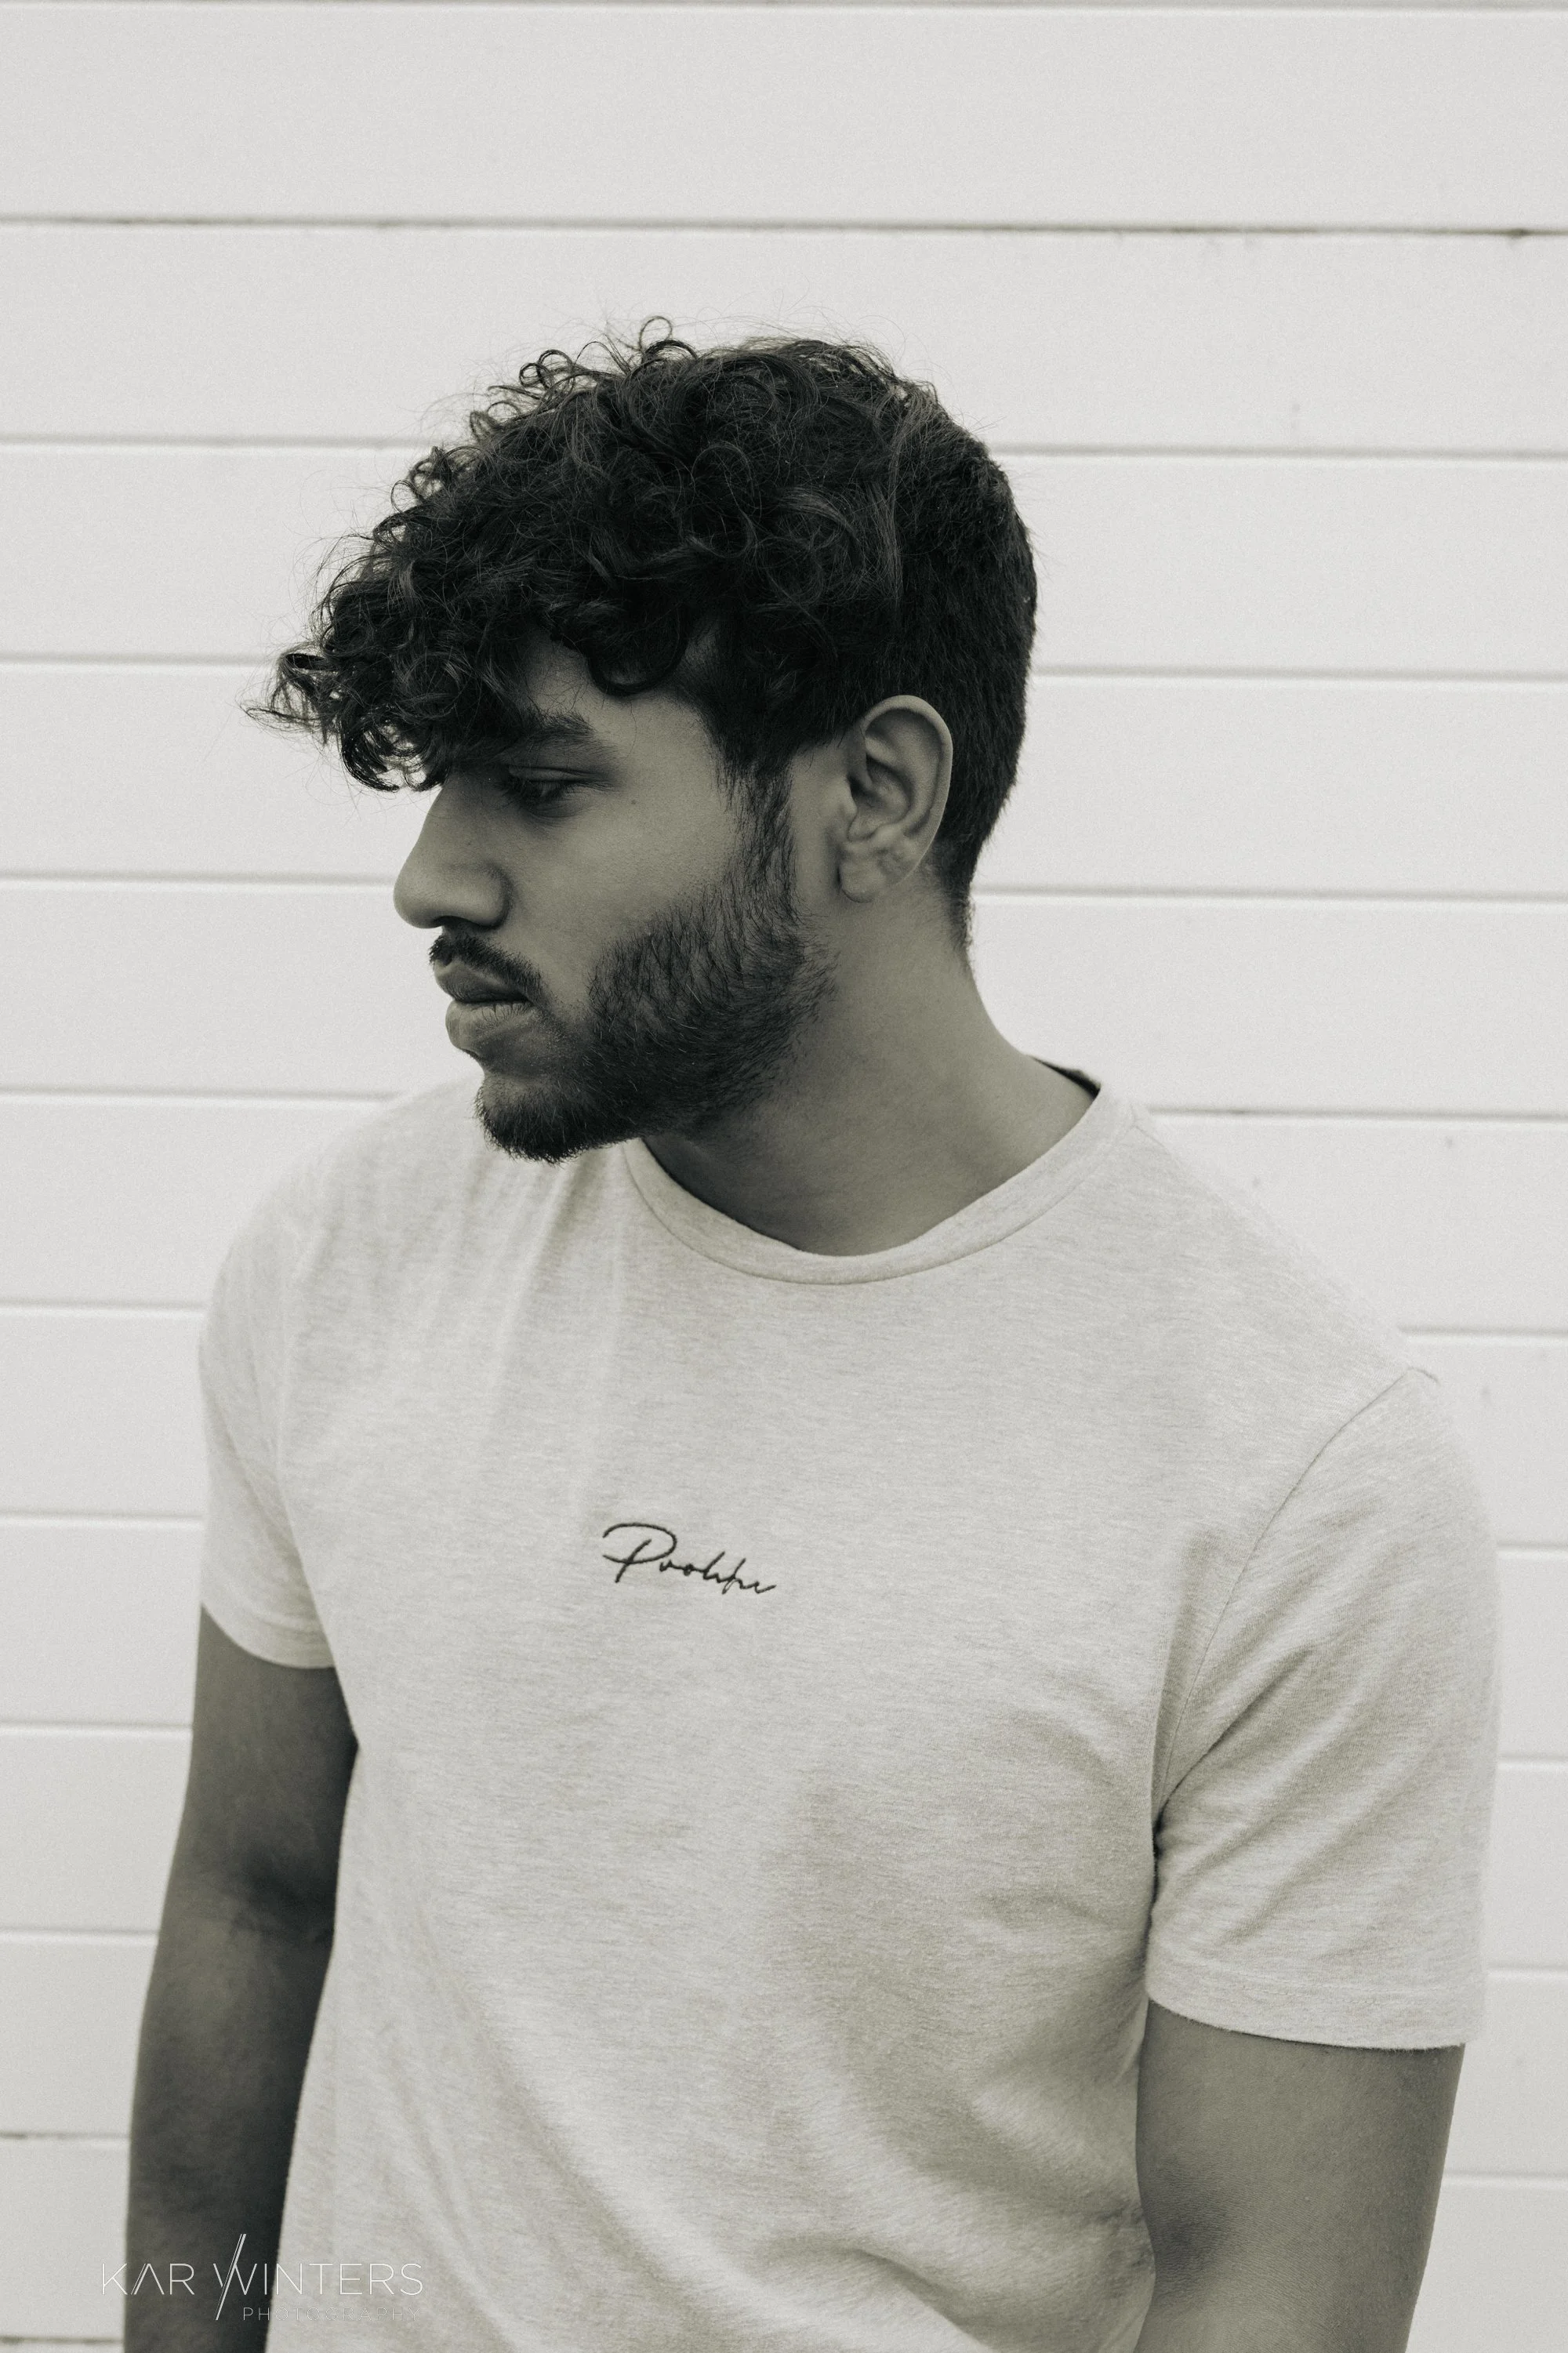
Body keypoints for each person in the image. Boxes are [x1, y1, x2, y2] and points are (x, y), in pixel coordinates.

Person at [125, 328, 1499, 2351]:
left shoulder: (1293, 1474)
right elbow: (257, 1901)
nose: (433, 875)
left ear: (876, 792)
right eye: (440, 787)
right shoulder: (352, 1260)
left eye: (544, 783)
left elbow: (1273, 2289)